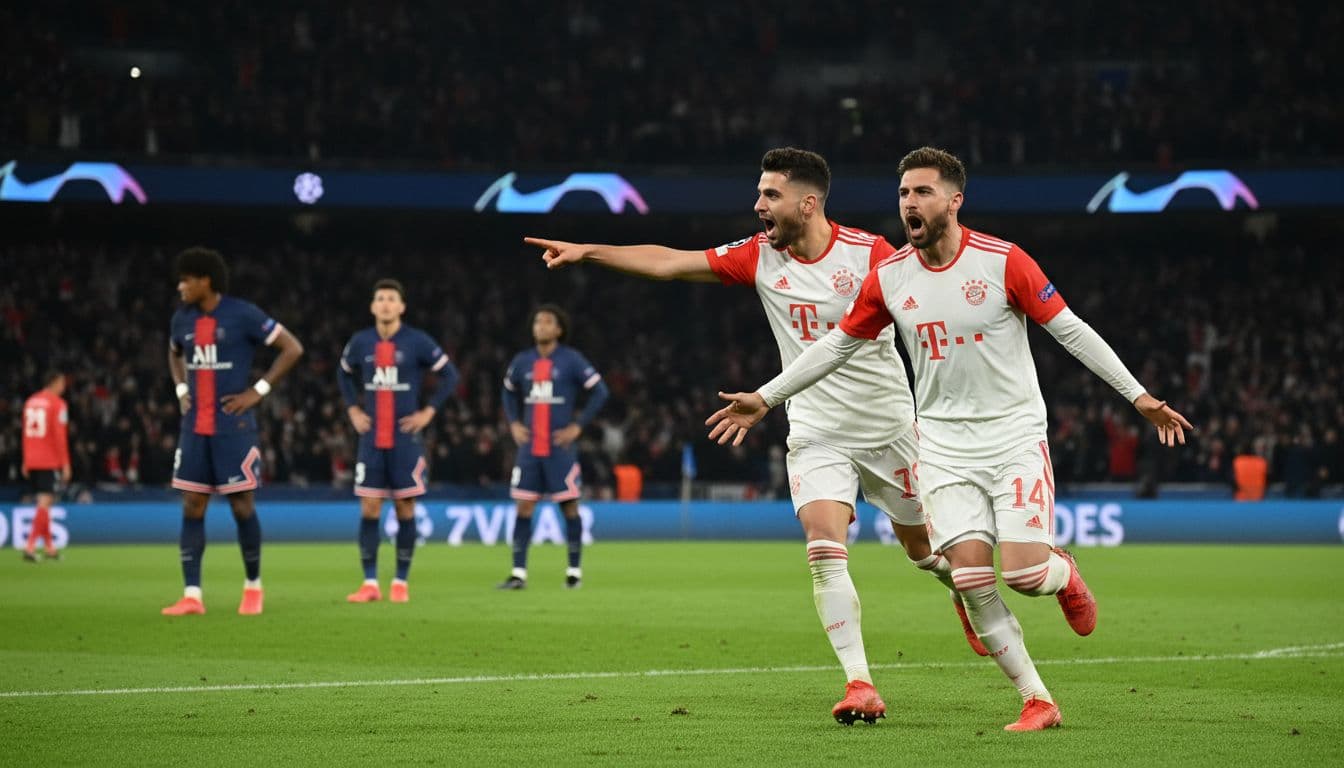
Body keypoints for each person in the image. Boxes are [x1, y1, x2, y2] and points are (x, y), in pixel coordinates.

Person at [707, 146, 1193, 731]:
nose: (909, 203)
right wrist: (767, 397)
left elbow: (1071, 331)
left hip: (1012, 435)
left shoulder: (1004, 262)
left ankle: (1061, 571)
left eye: (922, 192)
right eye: (904, 194)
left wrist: (1137, 395)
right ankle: (1038, 699)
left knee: (1023, 574)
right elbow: (836, 346)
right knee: (966, 576)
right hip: (939, 444)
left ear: (954, 200)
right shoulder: (888, 277)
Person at [526, 147, 970, 726]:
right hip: (814, 430)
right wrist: (590, 252)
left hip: (888, 428)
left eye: (769, 195)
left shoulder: (873, 255)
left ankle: (957, 587)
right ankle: (860, 682)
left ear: (807, 204)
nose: (757, 205)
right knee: (823, 547)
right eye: (759, 193)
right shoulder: (759, 256)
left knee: (921, 550)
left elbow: (933, 302)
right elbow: (670, 262)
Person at [162, 247, 304, 616]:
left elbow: (292, 348)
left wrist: (258, 391)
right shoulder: (182, 319)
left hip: (233, 427)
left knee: (242, 505)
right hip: (194, 427)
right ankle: (192, 595)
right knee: (193, 504)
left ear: (205, 280)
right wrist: (181, 389)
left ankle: (253, 587)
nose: (181, 286)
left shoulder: (243, 315)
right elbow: (174, 353)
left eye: (186, 279)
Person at [338, 278, 460, 603]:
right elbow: (343, 373)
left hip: (405, 439)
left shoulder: (417, 342)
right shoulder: (361, 342)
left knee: (406, 507)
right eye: (381, 298)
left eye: (392, 298)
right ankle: (369, 584)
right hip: (371, 439)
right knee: (370, 507)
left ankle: (400, 583)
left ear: (402, 307)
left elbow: (450, 375)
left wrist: (428, 412)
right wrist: (352, 409)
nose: (386, 304)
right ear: (373, 306)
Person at [497, 304, 608, 590]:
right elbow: (508, 391)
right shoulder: (522, 361)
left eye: (547, 322)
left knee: (570, 507)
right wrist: (513, 422)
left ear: (559, 329)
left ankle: (574, 573)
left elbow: (599, 391)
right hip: (530, 447)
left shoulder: (571, 360)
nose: (541, 326)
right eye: (537, 322)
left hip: (560, 448)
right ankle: (518, 574)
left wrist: (578, 425)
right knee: (523, 507)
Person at [21, 370, 70, 561]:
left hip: (32, 459)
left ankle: (50, 548)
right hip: (49, 459)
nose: (64, 387)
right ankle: (30, 546)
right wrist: (65, 463)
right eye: (62, 382)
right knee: (45, 502)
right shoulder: (58, 405)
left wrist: (26, 459)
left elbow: (24, 433)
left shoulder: (30, 402)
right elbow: (59, 436)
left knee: (46, 503)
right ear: (54, 382)